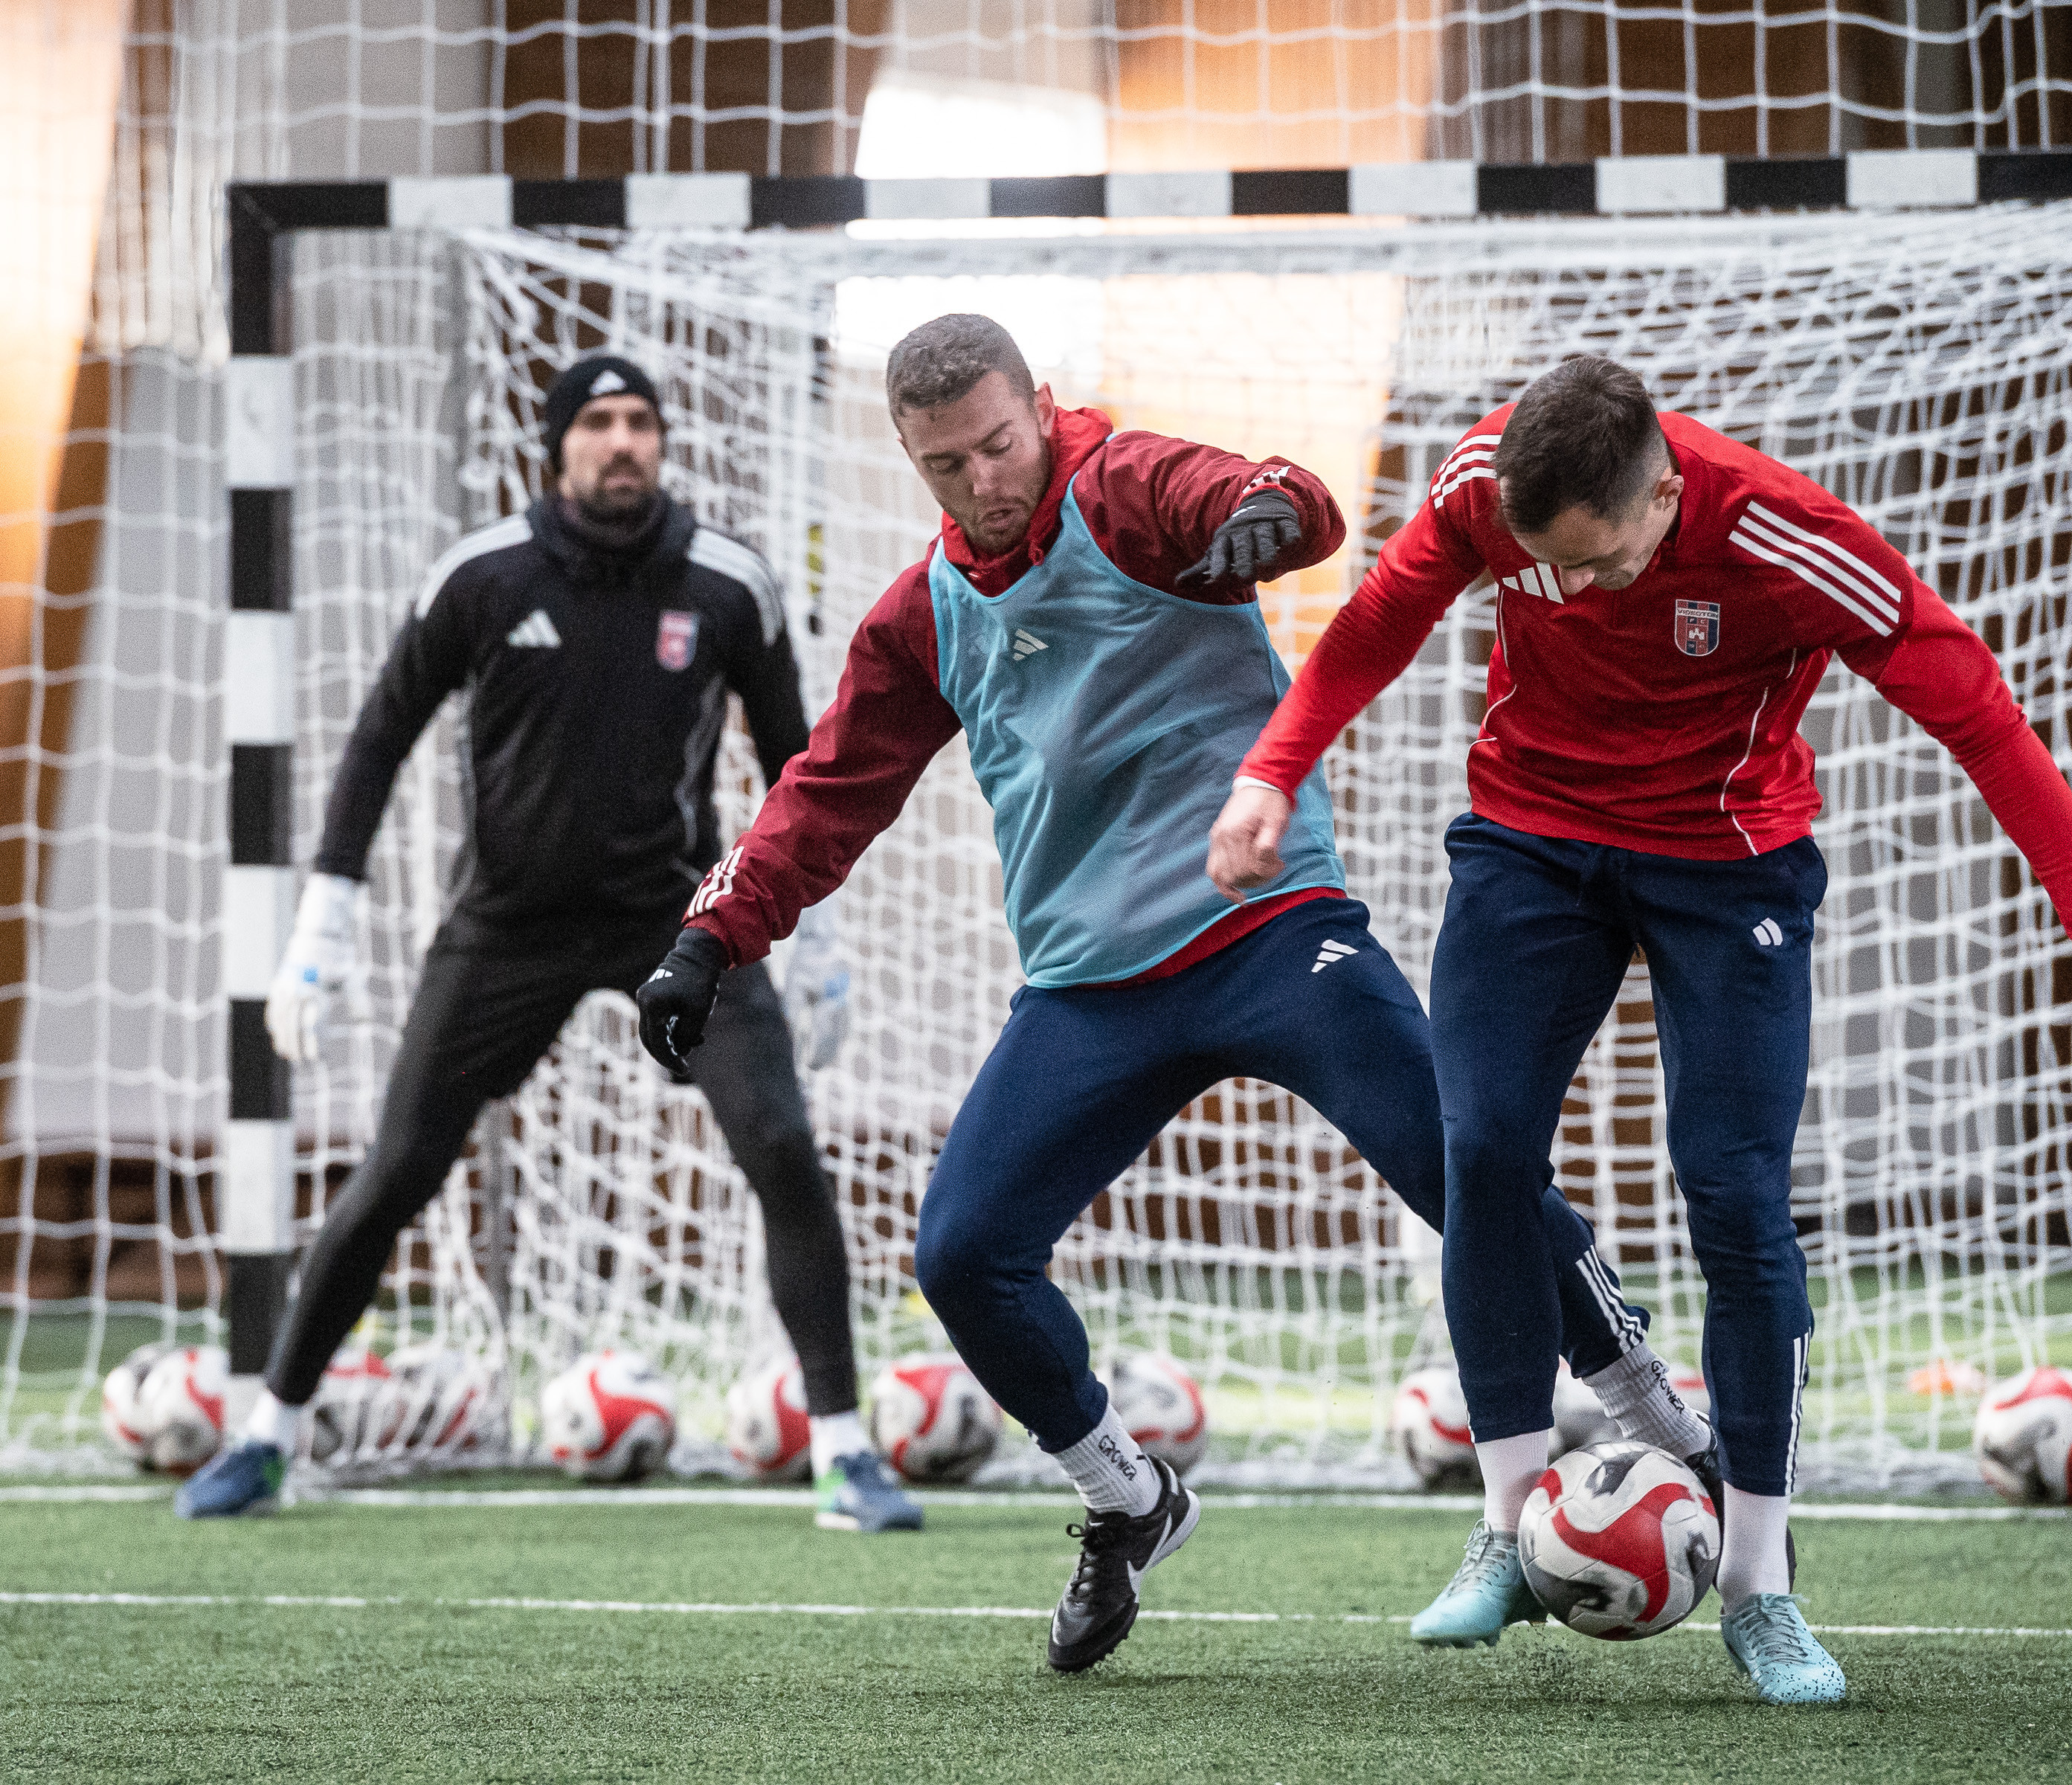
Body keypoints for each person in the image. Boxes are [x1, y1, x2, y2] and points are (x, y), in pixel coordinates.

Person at [635, 315, 1717, 1676]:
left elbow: (1285, 498)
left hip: (1273, 928)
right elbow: (827, 796)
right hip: (1090, 988)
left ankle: (1665, 1422)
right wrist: (711, 939)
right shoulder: (922, 617)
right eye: (945, 466)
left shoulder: (1128, 488)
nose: (983, 481)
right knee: (961, 1254)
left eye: (998, 445)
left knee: (1470, 1168)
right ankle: (1126, 1497)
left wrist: (1271, 519)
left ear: (1042, 407)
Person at [1208, 355, 2072, 1704]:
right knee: (1479, 1148)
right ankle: (1505, 1527)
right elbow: (1380, 617)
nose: (1579, 590)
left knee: (1734, 1197)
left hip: (1731, 868)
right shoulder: (1482, 483)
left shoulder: (1793, 537)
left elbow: (1984, 720)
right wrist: (1272, 771)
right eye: (1552, 570)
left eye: (1602, 561)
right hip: (1532, 841)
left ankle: (1761, 1587)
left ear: (1666, 493)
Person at [176, 354, 922, 1536]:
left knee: (783, 1144)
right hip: (504, 927)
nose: (623, 442)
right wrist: (324, 920)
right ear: (558, 445)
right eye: (599, 423)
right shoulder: (481, 576)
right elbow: (378, 740)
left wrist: (817, 933)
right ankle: (268, 1434)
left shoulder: (729, 582)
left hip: (679, 920)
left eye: (641, 423)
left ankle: (844, 1451)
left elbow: (801, 765)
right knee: (397, 1169)